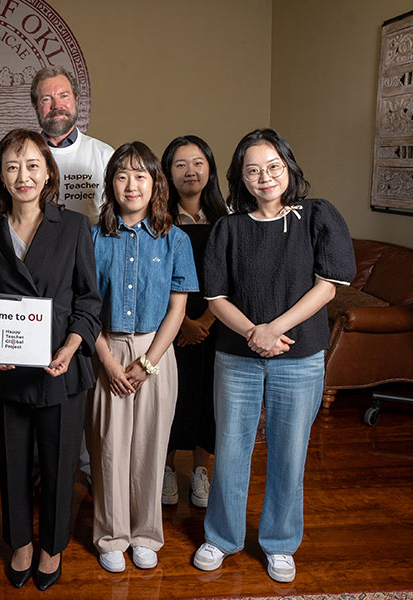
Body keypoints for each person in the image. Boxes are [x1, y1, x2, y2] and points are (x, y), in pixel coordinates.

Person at [192, 128, 355, 583]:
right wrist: (252, 332)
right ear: (240, 178)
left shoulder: (317, 216)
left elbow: (328, 286)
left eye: (273, 167)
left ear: (288, 168)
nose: (264, 177)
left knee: (289, 453)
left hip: (299, 356)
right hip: (236, 355)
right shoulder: (228, 227)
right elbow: (216, 296)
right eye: (253, 170)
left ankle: (280, 543)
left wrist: (274, 329)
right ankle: (221, 536)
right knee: (231, 450)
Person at [0, 128, 101, 591]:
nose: (22, 175)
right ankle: (20, 542)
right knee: (11, 462)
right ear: (1, 178)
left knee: (59, 463)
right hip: (7, 372)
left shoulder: (74, 226)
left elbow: (89, 299)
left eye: (31, 165)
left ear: (48, 172)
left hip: (61, 368)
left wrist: (70, 346)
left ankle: (52, 545)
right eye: (11, 167)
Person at [86, 142, 197, 573]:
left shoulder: (176, 239)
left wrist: (148, 362)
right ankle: (111, 535)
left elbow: (178, 310)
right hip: (106, 349)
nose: (131, 185)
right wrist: (110, 364)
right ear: (110, 184)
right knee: (109, 449)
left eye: (140, 176)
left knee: (151, 447)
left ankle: (147, 534)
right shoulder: (94, 238)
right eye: (121, 176)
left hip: (156, 350)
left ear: (155, 184)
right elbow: (85, 308)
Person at [159, 135, 229, 508]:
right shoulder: (159, 219)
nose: (190, 171)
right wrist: (184, 321)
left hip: (216, 324)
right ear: (168, 172)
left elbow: (233, 279)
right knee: (172, 396)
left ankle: (201, 470)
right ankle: (167, 469)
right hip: (171, 323)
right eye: (180, 164)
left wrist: (204, 321)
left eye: (198, 162)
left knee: (210, 400)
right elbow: (156, 280)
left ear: (210, 168)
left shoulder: (228, 219)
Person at [30, 65, 114, 224]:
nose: (57, 105)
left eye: (64, 96)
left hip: (90, 248)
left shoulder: (104, 155)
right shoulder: (21, 157)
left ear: (76, 99)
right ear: (35, 106)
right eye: (46, 99)